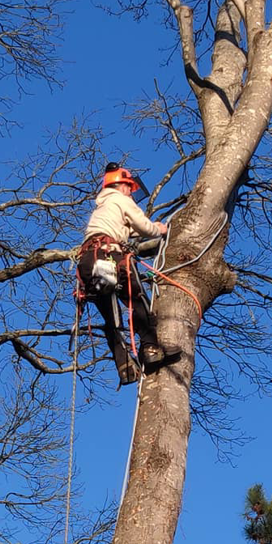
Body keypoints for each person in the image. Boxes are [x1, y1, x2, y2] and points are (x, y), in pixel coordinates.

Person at [77, 163, 181, 386]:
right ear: (120, 185)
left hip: (88, 261)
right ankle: (150, 349)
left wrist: (148, 235)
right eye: (129, 188)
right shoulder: (120, 199)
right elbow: (143, 226)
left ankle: (124, 366)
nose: (131, 193)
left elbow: (128, 229)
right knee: (137, 298)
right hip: (109, 255)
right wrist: (160, 229)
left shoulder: (104, 208)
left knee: (110, 318)